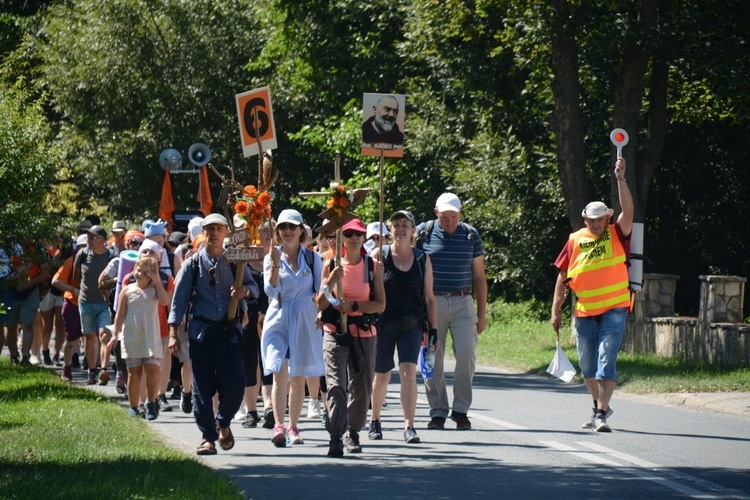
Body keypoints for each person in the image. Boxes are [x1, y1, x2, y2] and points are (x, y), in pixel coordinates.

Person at [551, 157, 633, 433]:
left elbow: (629, 209)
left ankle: (600, 414)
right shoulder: (575, 239)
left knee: (606, 357)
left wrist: (621, 179)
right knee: (587, 364)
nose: (597, 224)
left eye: (601, 219)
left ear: (607, 218)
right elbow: (563, 275)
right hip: (584, 311)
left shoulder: (617, 233)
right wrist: (555, 310)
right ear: (584, 219)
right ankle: (598, 405)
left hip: (615, 307)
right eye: (592, 220)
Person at [168, 213, 258, 456]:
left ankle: (224, 421)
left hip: (229, 332)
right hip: (201, 333)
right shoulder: (193, 264)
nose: (215, 233)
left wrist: (244, 293)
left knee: (236, 383)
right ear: (203, 233)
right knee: (202, 388)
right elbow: (178, 303)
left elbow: (254, 288)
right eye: (210, 229)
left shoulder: (235, 260)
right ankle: (208, 437)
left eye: (219, 229)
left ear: (226, 233)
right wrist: (173, 334)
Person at [316, 218, 385, 457]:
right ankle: (336, 434)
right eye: (349, 234)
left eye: (358, 234)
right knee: (336, 385)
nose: (354, 238)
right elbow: (321, 302)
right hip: (336, 331)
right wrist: (331, 282)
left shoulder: (372, 266)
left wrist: (354, 305)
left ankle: (353, 431)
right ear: (341, 238)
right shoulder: (331, 264)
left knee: (362, 387)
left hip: (364, 333)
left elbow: (380, 305)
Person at [419, 193, 487, 431]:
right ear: (436, 211)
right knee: (433, 356)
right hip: (432, 301)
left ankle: (460, 410)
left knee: (467, 353)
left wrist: (482, 312)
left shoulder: (470, 234)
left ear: (460, 214)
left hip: (462, 299)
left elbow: (479, 276)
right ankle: (437, 411)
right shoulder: (423, 232)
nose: (449, 221)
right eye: (444, 216)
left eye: (454, 216)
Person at [370, 210, 437, 444]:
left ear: (413, 231)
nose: (400, 229)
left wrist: (434, 330)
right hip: (384, 324)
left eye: (405, 225)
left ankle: (409, 426)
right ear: (390, 229)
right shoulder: (380, 255)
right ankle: (375, 420)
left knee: (409, 373)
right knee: (382, 375)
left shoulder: (422, 259)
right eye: (396, 225)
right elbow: (368, 288)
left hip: (412, 323)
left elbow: (429, 298)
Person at [260, 209, 324, 447]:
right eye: (284, 228)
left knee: (298, 377)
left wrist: (321, 312)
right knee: (279, 371)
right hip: (279, 316)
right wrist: (275, 266)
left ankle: (293, 426)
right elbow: (271, 291)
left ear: (300, 231)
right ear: (278, 232)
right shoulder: (271, 257)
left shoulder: (312, 258)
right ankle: (278, 425)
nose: (288, 231)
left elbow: (319, 291)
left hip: (305, 318)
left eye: (292, 227)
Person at [111, 256, 170, 419]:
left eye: (146, 272)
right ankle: (133, 406)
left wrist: (157, 281)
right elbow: (120, 314)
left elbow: (165, 301)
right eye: (138, 270)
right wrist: (115, 334)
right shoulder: (127, 290)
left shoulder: (154, 290)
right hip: (132, 335)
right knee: (133, 373)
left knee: (153, 370)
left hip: (151, 336)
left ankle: (151, 402)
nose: (140, 274)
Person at [74, 224, 116, 384]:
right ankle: (91, 371)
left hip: (104, 303)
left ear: (103, 240)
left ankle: (103, 370)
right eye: (88, 237)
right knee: (89, 337)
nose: (89, 240)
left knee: (104, 335)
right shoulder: (82, 255)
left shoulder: (111, 256)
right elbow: (76, 277)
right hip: (85, 302)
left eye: (93, 237)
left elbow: (115, 278)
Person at [51, 234, 86, 381]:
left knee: (93, 338)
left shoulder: (100, 261)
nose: (84, 250)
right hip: (73, 303)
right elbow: (56, 281)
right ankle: (66, 367)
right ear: (76, 248)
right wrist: (73, 290)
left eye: (87, 247)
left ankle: (93, 370)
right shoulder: (71, 261)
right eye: (81, 247)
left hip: (92, 305)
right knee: (71, 341)